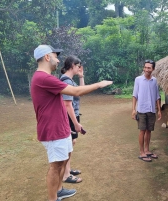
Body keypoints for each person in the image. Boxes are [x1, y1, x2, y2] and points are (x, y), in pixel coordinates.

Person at [31, 45, 112, 201]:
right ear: (47, 57)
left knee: (62, 163)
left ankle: (59, 190)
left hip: (60, 128)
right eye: (55, 56)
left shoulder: (47, 78)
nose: (58, 60)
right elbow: (76, 92)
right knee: (56, 167)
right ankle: (52, 198)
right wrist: (99, 84)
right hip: (53, 130)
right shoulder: (43, 78)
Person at [60, 56, 84, 183]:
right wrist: (75, 123)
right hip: (69, 116)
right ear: (72, 65)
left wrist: (81, 77)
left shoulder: (71, 81)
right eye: (78, 66)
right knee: (68, 144)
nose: (79, 68)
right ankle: (66, 174)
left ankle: (67, 169)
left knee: (71, 143)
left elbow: (80, 92)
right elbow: (67, 104)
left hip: (73, 114)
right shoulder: (66, 82)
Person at [131, 59, 162, 162]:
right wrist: (133, 110)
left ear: (153, 69)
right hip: (142, 110)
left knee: (149, 130)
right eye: (145, 67)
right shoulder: (138, 79)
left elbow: (157, 96)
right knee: (142, 131)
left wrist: (159, 110)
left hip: (151, 109)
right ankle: (141, 152)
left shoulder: (154, 81)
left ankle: (147, 150)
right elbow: (134, 95)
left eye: (149, 68)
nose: (146, 69)